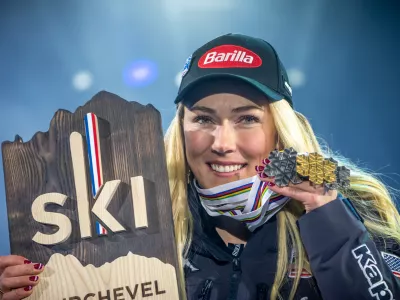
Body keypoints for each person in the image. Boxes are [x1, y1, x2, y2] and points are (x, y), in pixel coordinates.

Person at [0, 33, 400, 300]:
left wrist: (328, 217)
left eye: (246, 118)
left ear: (280, 130)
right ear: (181, 128)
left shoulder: (354, 208)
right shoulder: (127, 219)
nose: (222, 143)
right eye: (203, 119)